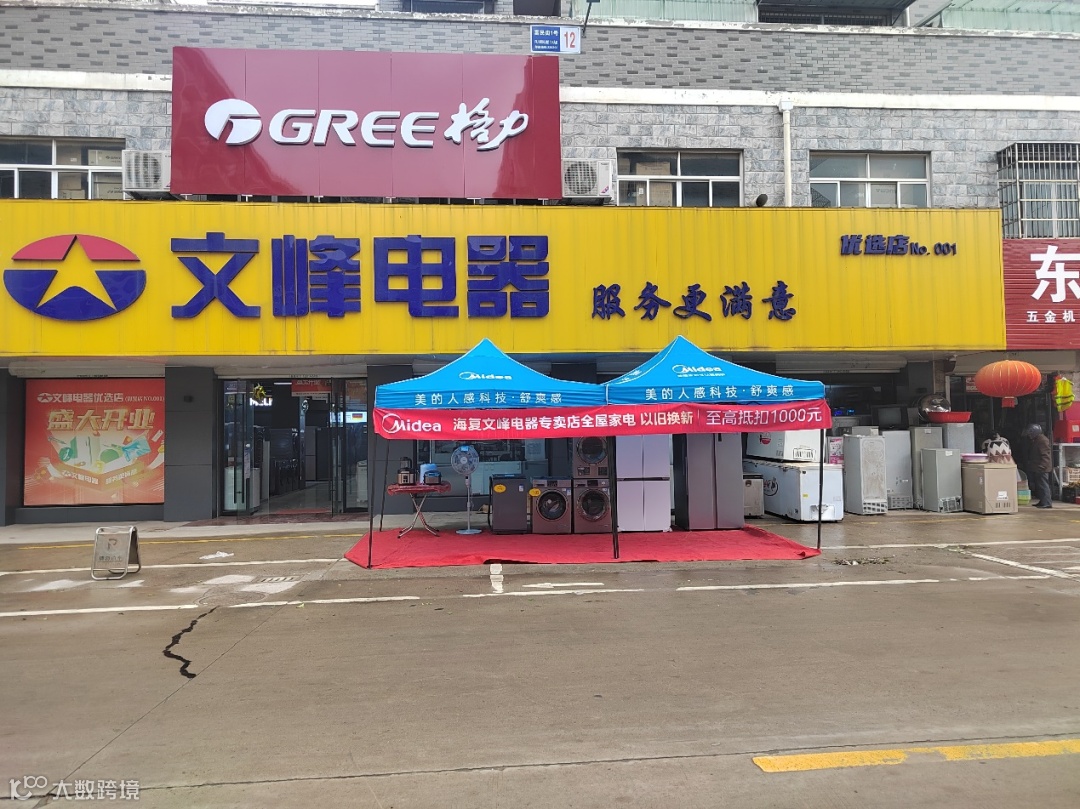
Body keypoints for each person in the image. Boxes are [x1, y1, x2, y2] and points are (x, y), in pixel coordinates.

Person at [1022, 424, 1053, 509]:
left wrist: (1042, 467)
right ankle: (1043, 501)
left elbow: (1045, 455)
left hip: (1042, 468)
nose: (1029, 435)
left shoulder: (1042, 441)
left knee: (1043, 485)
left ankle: (1047, 502)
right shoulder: (1037, 439)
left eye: (1030, 433)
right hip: (1038, 467)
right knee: (1039, 486)